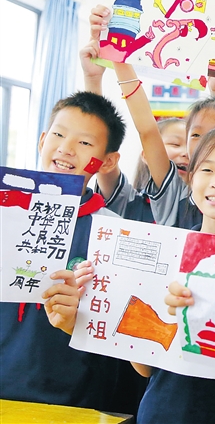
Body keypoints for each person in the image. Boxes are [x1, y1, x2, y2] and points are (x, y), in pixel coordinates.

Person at [71, 125, 215, 424]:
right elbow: (144, 368)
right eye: (206, 170)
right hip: (165, 411)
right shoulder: (166, 253)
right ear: (191, 180)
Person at [0, 92, 140, 413]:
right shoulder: (6, 211)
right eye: (59, 135)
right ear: (42, 140)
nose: (66, 148)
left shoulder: (114, 234)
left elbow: (120, 338)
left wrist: (78, 320)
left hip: (70, 401)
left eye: (85, 143)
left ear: (107, 161)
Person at [88, 5, 215, 237]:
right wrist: (117, 52)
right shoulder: (175, 197)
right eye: (197, 135)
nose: (208, 143)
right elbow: (148, 130)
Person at [79, 36, 190, 224]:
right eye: (175, 144)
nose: (186, 152)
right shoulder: (128, 202)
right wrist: (93, 78)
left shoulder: (192, 209)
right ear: (146, 154)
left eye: (194, 146)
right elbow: (101, 145)